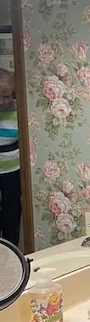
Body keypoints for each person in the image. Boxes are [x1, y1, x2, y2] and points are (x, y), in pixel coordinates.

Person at [0, 68, 21, 246]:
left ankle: (11, 251)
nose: (2, 102)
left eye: (6, 96)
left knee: (12, 212)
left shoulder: (19, 108)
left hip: (12, 169)